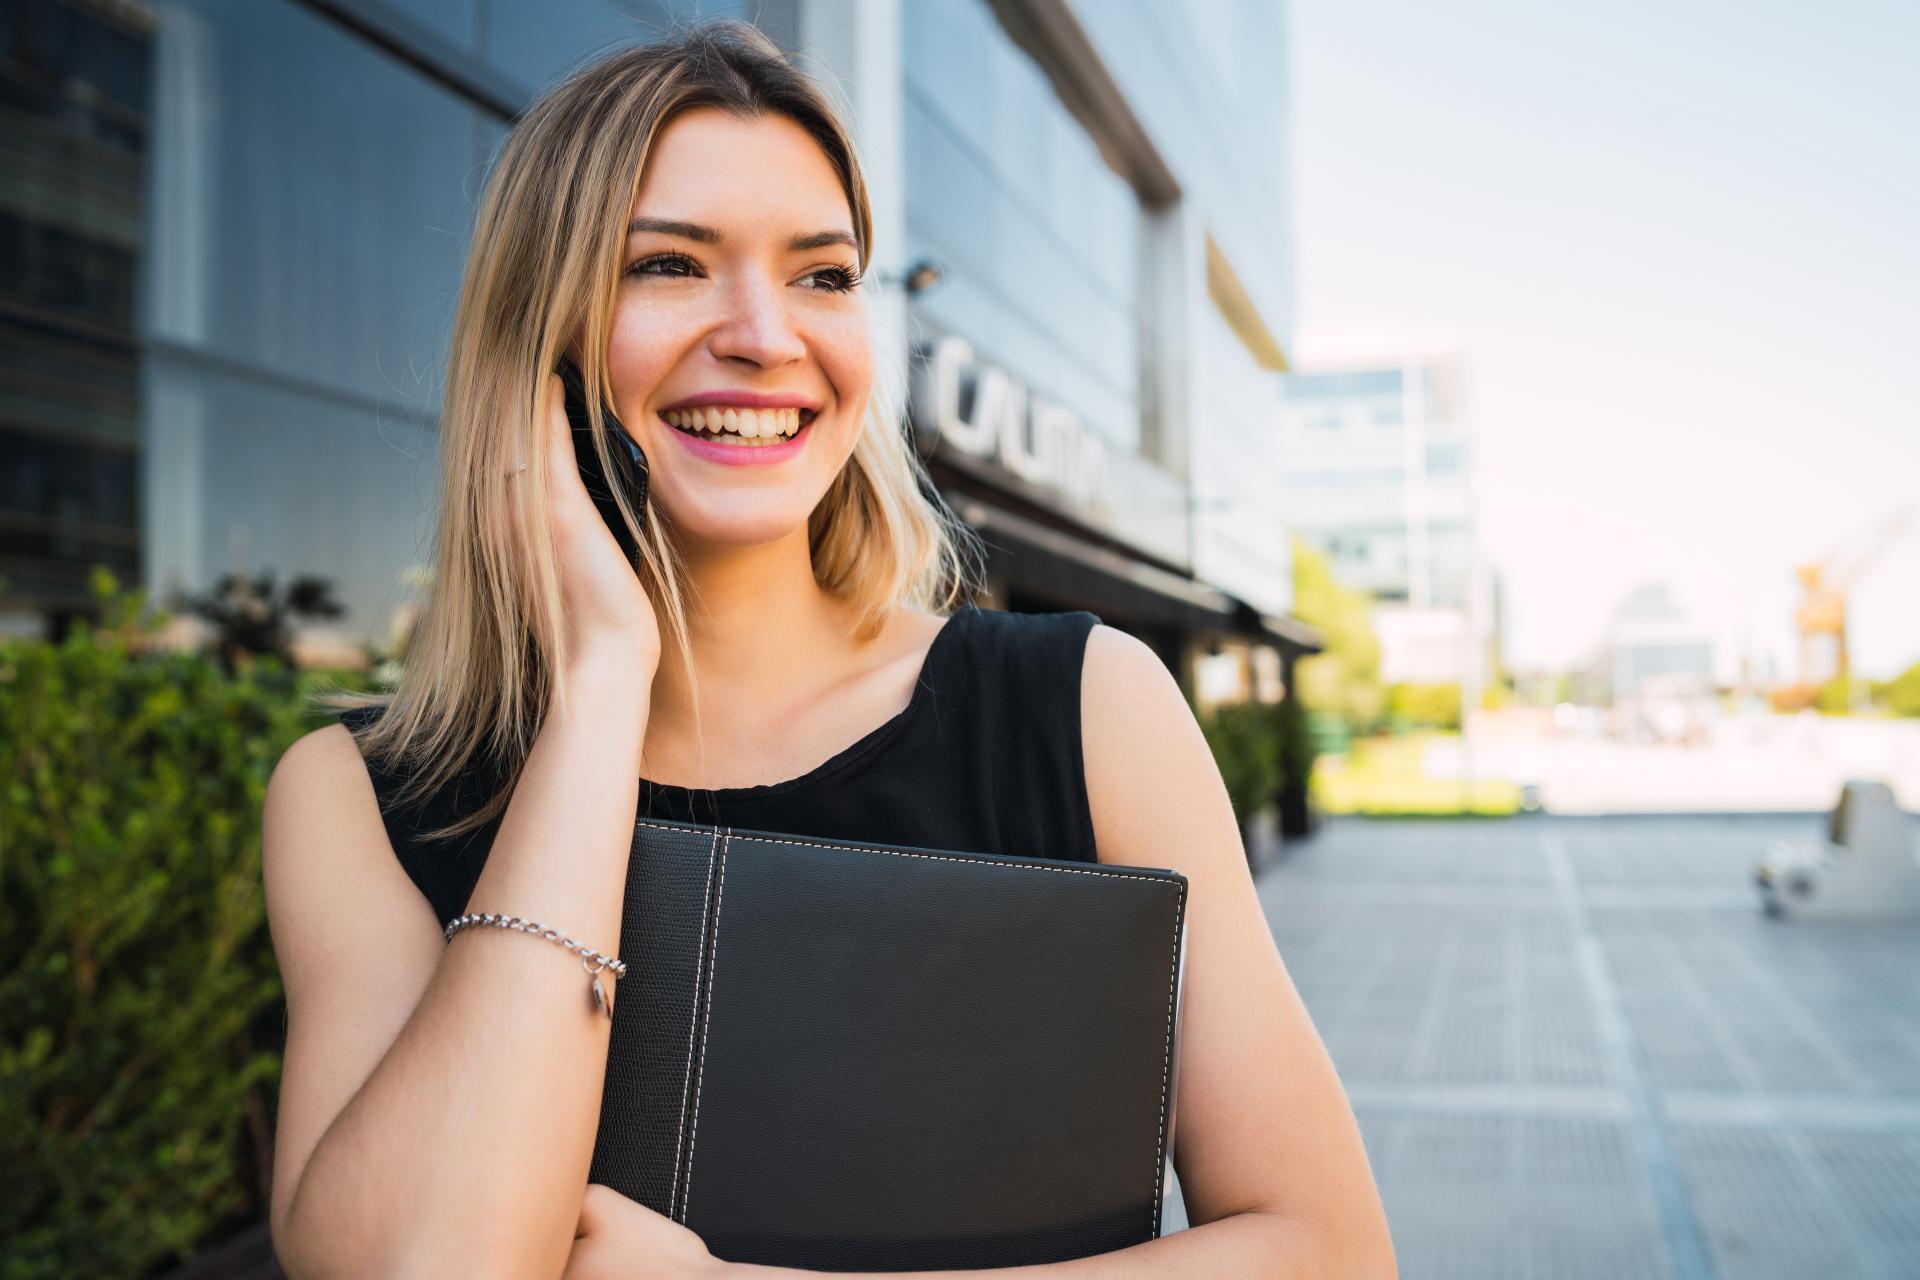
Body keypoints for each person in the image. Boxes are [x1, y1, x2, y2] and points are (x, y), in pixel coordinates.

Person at [260, 20, 1393, 1280]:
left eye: (823, 273)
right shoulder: (359, 793)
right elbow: (424, 1264)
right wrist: (595, 692)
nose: (763, 333)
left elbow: (1328, 1249)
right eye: (670, 265)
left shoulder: (1083, 705)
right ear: (545, 344)